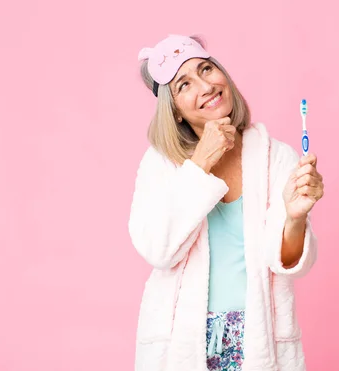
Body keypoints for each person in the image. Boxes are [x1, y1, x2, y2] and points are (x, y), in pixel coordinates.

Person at [128, 34, 324, 371]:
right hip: (182, 341)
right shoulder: (160, 164)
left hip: (257, 337)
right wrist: (200, 164)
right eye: (184, 84)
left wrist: (294, 218)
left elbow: (289, 263)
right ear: (173, 110)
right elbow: (157, 250)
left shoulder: (275, 156)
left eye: (206, 69)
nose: (205, 86)